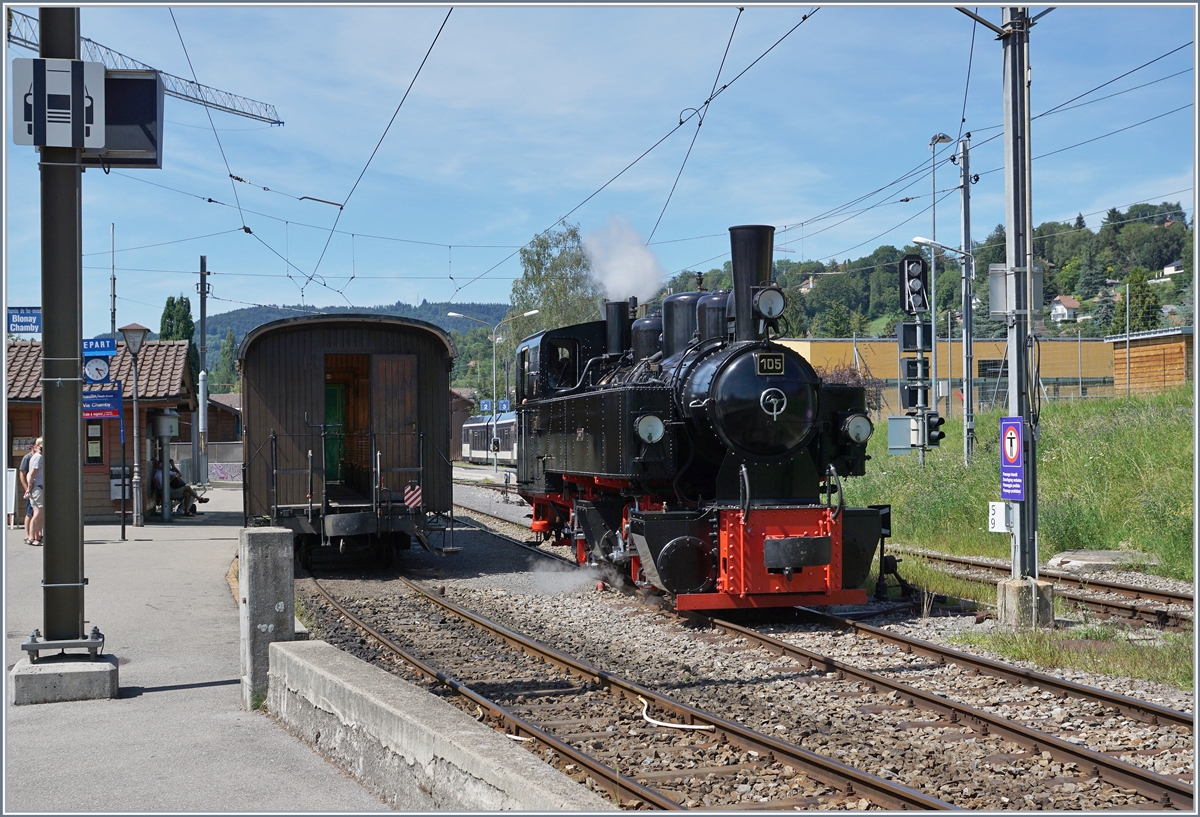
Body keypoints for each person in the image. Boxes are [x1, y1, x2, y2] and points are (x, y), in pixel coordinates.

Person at [24, 438, 44, 546]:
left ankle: (36, 537)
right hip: (37, 487)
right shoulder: (38, 457)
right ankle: (31, 537)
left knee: (39, 514)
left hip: (36, 487)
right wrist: (29, 486)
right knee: (37, 513)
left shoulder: (34, 457)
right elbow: (32, 473)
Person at [18, 440, 35, 545]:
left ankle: (36, 534)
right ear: (32, 446)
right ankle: (27, 534)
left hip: (38, 487)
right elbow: (22, 474)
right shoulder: (27, 457)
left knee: (37, 512)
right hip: (30, 488)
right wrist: (26, 489)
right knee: (29, 512)